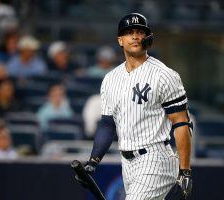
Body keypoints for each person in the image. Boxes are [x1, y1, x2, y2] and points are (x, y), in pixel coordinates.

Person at [75, 13, 193, 199]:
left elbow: (181, 123)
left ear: (147, 38)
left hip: (156, 157)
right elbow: (107, 124)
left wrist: (185, 171)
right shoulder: (110, 79)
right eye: (130, 32)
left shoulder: (164, 75)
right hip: (127, 163)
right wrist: (93, 161)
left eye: (140, 32)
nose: (136, 36)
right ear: (120, 40)